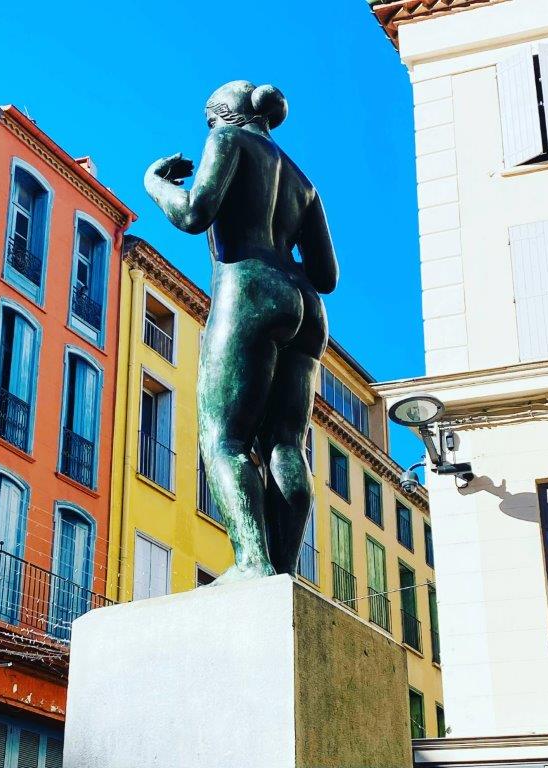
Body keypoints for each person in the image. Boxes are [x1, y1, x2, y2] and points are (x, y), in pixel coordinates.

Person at [145, 80, 338, 583]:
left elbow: (194, 213)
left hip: (247, 288)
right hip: (306, 307)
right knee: (286, 445)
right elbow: (326, 276)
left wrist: (155, 183)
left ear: (224, 114)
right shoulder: (304, 183)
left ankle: (253, 563)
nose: (209, 127)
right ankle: (285, 574)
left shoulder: (227, 139)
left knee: (223, 439)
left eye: (210, 119)